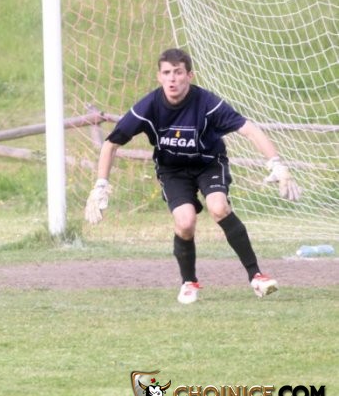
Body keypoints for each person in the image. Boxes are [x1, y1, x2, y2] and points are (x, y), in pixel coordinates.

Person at [85, 48, 300, 304]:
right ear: (159, 77)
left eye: (178, 72)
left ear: (190, 75)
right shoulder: (149, 106)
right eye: (167, 73)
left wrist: (276, 164)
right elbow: (111, 144)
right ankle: (189, 282)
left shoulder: (207, 103)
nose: (172, 79)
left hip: (209, 164)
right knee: (185, 222)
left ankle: (257, 276)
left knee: (218, 207)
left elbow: (249, 129)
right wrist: (100, 185)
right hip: (172, 171)